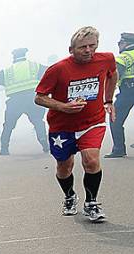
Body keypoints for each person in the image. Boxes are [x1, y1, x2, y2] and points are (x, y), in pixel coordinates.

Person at [35, 26, 117, 222]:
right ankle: (69, 196)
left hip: (93, 121)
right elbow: (39, 98)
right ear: (71, 49)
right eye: (82, 47)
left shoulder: (106, 59)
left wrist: (108, 100)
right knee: (64, 166)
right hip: (62, 126)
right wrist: (63, 106)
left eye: (92, 46)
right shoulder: (57, 69)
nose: (88, 50)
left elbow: (112, 75)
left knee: (91, 160)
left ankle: (91, 203)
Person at [0, 48, 49, 155]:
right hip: (33, 99)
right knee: (38, 121)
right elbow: (51, 71)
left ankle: (4, 149)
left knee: (8, 125)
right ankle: (44, 143)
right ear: (25, 55)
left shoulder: (8, 71)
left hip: (15, 102)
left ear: (14, 57)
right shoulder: (35, 66)